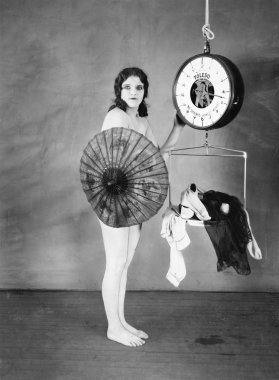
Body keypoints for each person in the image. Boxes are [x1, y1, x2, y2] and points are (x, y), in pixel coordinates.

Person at [99, 67, 185, 347]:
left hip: (133, 199)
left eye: (139, 87)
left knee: (124, 264)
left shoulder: (141, 118)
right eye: (127, 87)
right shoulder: (116, 116)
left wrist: (178, 127)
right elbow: (114, 163)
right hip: (114, 197)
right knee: (115, 263)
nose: (133, 92)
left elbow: (158, 158)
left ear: (145, 90)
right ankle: (113, 328)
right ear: (119, 91)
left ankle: (121, 322)